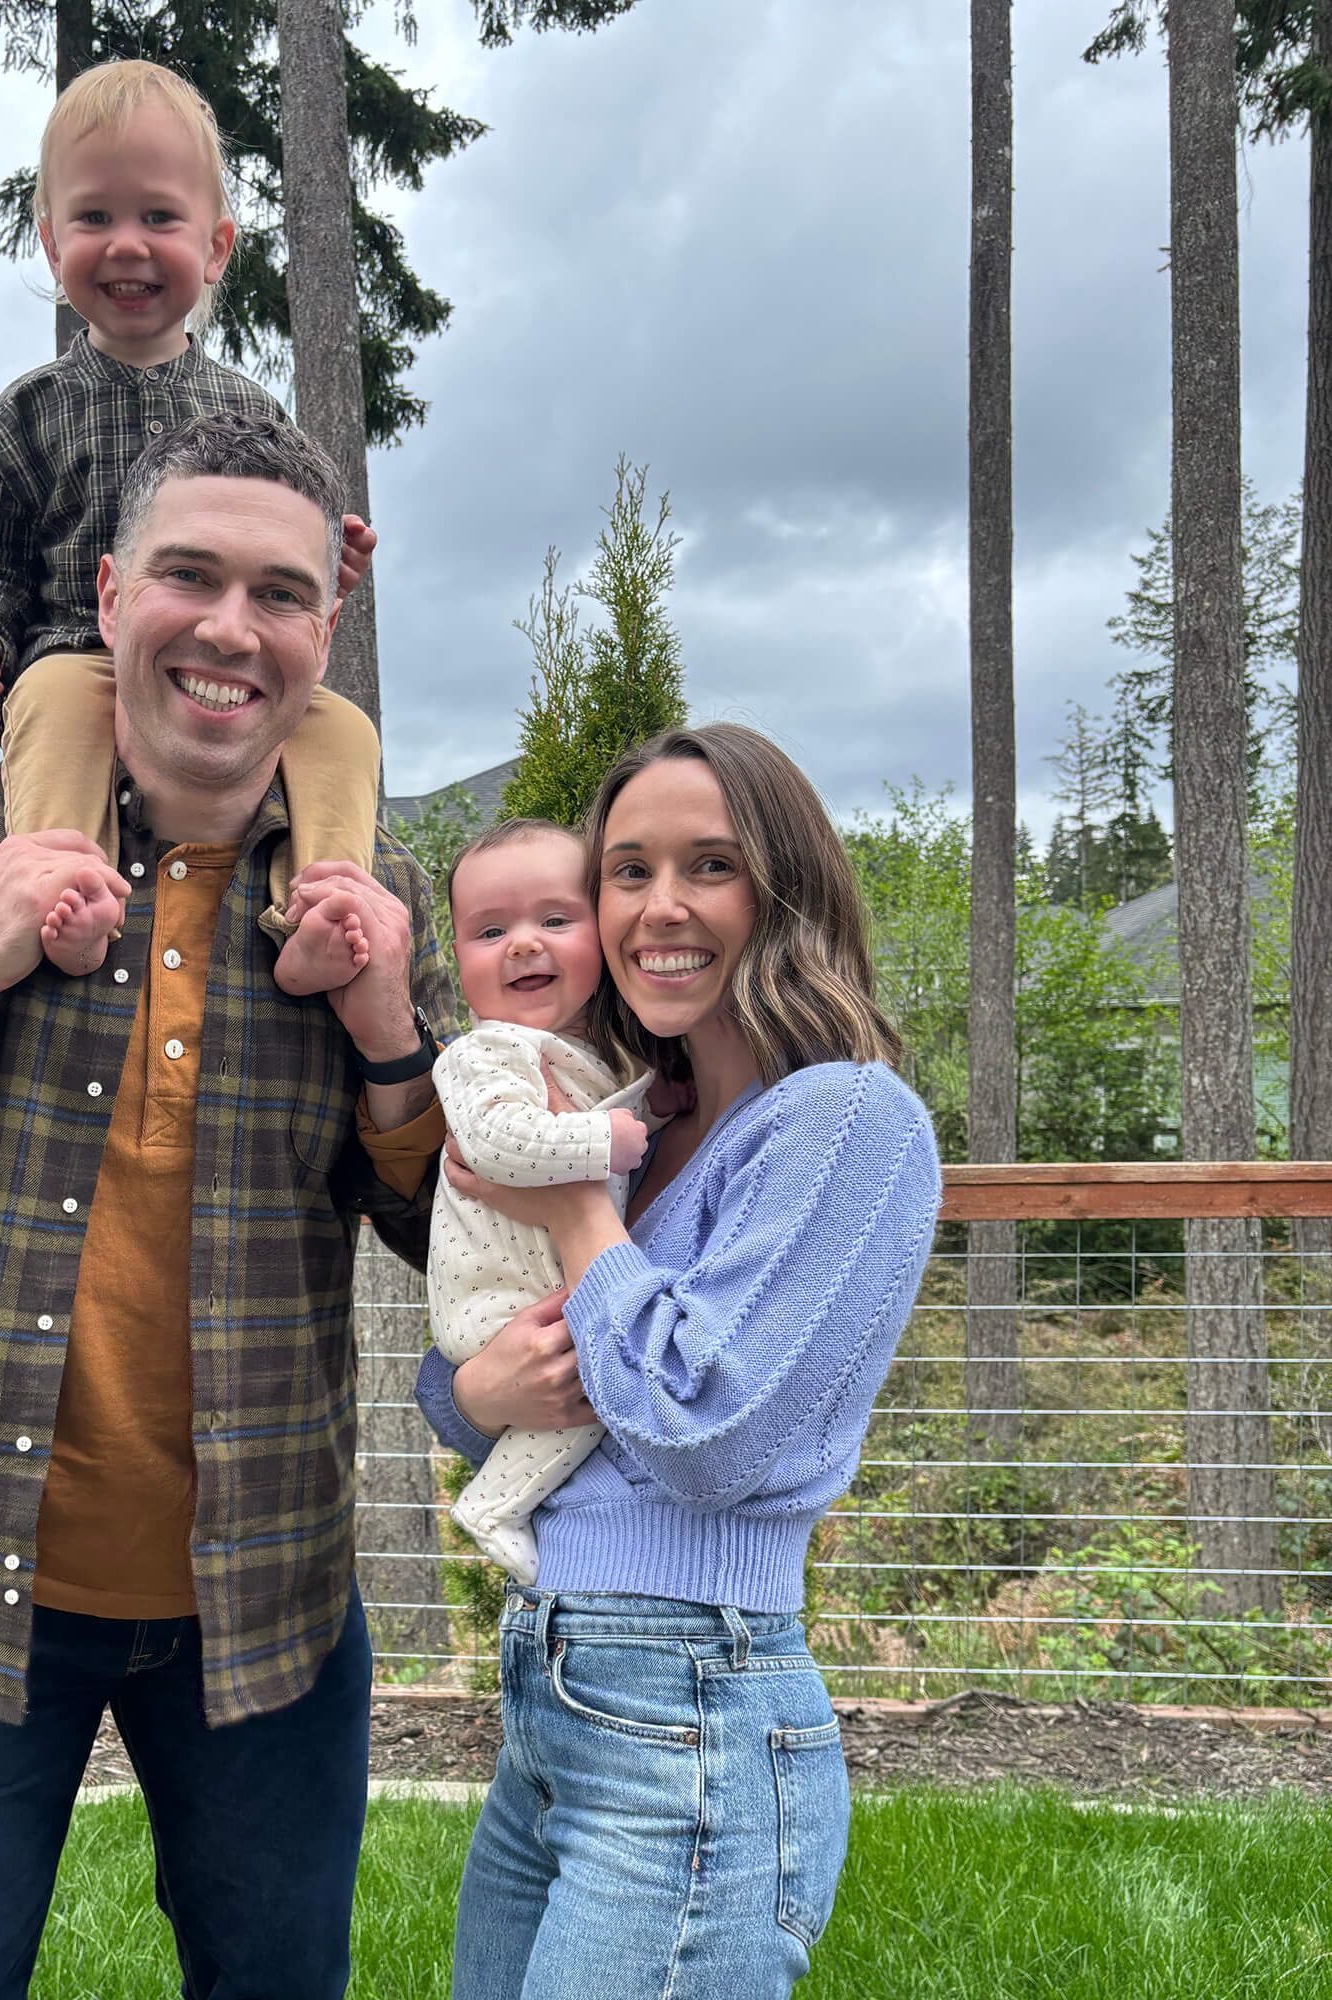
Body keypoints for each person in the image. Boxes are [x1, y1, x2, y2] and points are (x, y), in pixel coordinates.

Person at [0, 412, 456, 2000]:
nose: (229, 627)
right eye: (189, 574)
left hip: (263, 1611)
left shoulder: (357, 895)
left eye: (278, 592)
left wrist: (393, 1033)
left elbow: (447, 1238)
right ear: (112, 594)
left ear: (326, 629)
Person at [417, 724, 942, 1999]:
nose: (660, 906)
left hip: (694, 1698)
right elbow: (503, 1375)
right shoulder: (629, 1112)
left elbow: (702, 1428)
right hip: (556, 1689)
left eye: (708, 864)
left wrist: (574, 1205)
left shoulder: (845, 1117)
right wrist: (469, 1392)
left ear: (783, 888)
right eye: (627, 868)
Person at [0, 57, 383, 997]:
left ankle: (325, 906)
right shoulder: (31, 412)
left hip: (211, 675)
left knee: (343, 731)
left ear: (216, 248)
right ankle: (65, 886)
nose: (126, 244)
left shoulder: (252, 414)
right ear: (52, 245)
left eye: (159, 218)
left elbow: (280, 556)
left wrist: (327, 565)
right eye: (95, 218)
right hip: (71, 655)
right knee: (54, 703)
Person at [426, 818, 657, 1583]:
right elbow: (496, 1142)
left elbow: (614, 1115)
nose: (524, 942)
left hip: (535, 1292)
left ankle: (498, 1503)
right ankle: (494, 1505)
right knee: (587, 1392)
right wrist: (604, 1141)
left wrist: (655, 1103)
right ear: (458, 962)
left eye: (555, 919)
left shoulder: (584, 1053)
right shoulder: (482, 1052)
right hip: (498, 1305)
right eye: (490, 930)